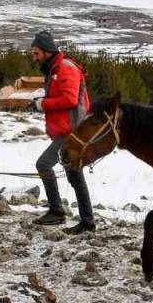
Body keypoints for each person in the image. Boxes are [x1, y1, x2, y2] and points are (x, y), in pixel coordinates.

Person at [28, 31, 96, 234]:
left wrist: (42, 104)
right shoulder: (56, 67)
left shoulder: (66, 68)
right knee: (74, 174)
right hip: (68, 130)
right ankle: (86, 221)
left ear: (47, 51)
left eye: (36, 53)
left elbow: (70, 100)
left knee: (44, 164)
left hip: (72, 131)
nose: (35, 57)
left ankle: (58, 212)